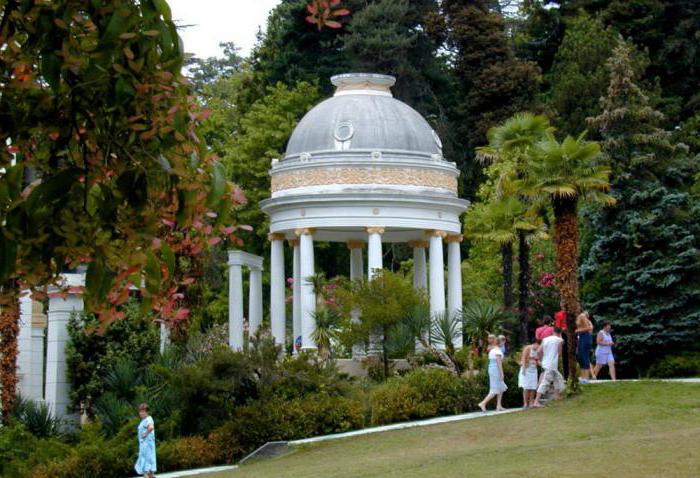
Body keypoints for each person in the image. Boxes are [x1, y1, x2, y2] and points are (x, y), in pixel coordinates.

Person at [533, 328, 565, 407]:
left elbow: (538, 352)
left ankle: (557, 396)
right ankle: (536, 401)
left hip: (546, 363)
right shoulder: (559, 340)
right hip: (552, 364)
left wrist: (540, 360)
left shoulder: (545, 339)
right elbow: (560, 353)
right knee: (545, 382)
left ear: (553, 332)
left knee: (559, 378)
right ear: (560, 333)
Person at [478, 335, 507, 412]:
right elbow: (499, 363)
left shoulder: (493, 350)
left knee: (501, 387)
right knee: (495, 388)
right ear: (500, 343)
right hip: (495, 370)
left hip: (493, 369)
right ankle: (483, 403)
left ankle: (499, 406)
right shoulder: (497, 351)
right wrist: (502, 373)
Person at [135, 403, 157, 478]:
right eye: (140, 411)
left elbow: (151, 427)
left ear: (147, 412)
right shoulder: (143, 420)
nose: (141, 413)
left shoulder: (148, 419)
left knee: (146, 468)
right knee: (149, 471)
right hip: (144, 446)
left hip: (147, 446)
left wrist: (145, 433)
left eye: (143, 411)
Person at [518, 341, 540, 408]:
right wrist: (524, 369)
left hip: (533, 370)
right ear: (535, 344)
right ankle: (525, 403)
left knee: (533, 386)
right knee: (526, 386)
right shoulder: (527, 348)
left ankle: (531, 402)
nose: (538, 347)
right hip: (527, 369)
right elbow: (524, 358)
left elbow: (538, 360)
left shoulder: (538, 350)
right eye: (537, 345)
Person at [575, 311, 595, 382]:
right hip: (582, 337)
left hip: (585, 337)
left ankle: (586, 378)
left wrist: (576, 331)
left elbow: (589, 328)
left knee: (584, 356)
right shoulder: (580, 317)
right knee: (580, 357)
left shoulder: (582, 316)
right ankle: (583, 377)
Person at [554, 304, 569, 379]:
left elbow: (557, 327)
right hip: (564, 334)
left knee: (567, 355)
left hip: (568, 334)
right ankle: (566, 375)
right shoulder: (560, 314)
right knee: (565, 355)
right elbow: (558, 327)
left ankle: (568, 375)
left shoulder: (570, 314)